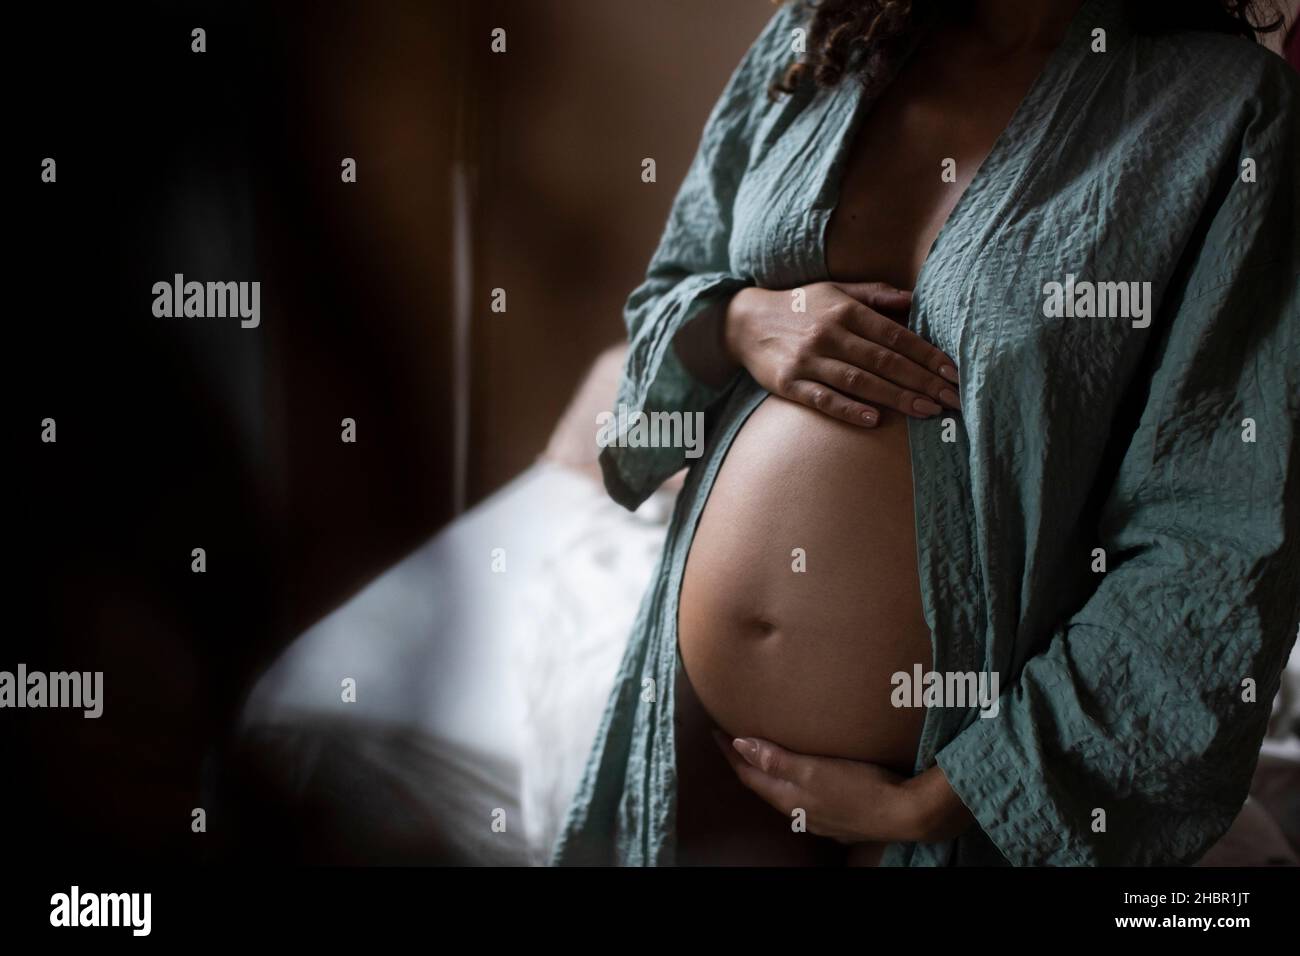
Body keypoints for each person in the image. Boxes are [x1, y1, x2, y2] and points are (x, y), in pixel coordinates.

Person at [553, 0, 1300, 865]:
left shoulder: (1228, 111)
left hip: (952, 785)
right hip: (699, 746)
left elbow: (1215, 531)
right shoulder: (822, 41)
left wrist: (952, 798)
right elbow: (672, 286)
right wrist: (739, 321)